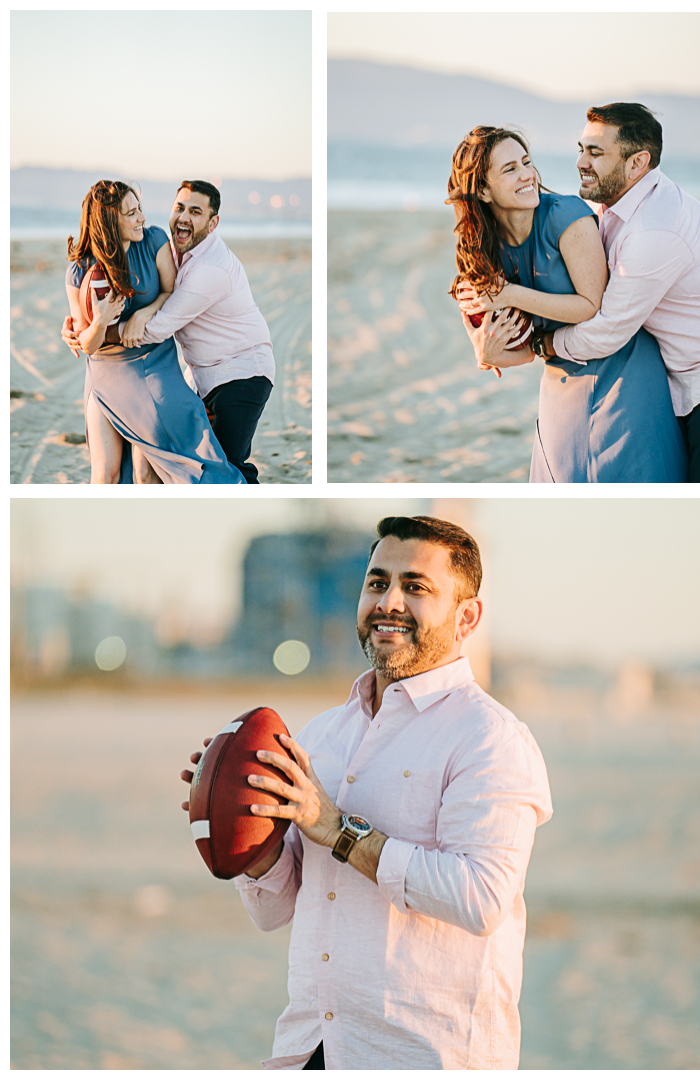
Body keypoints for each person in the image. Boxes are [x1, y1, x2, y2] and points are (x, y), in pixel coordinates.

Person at [181, 516, 553, 1070]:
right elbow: (276, 909)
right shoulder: (323, 735)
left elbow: (480, 899)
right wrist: (243, 823)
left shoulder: (490, 739)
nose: (389, 602)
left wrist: (338, 830)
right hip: (311, 1048)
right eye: (377, 582)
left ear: (467, 617)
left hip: (424, 1054)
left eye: (416, 587)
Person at [449, 127, 688, 483]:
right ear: (482, 190)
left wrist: (509, 294)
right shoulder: (482, 250)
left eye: (526, 162)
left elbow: (590, 305)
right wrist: (486, 353)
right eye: (510, 169)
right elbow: (527, 349)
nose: (527, 175)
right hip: (560, 378)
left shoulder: (567, 215)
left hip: (623, 368)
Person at [536, 104, 700, 483]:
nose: (581, 162)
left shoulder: (654, 231)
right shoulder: (614, 199)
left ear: (637, 163)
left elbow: (607, 332)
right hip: (672, 381)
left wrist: (545, 344)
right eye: (581, 149)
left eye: (595, 153)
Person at [64, 180, 274, 484]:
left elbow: (160, 322)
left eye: (196, 211)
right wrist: (84, 327)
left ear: (213, 223)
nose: (142, 218)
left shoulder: (206, 268)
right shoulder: (174, 248)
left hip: (241, 373)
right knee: (114, 471)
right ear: (111, 220)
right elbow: (87, 333)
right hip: (187, 373)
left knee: (225, 464)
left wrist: (110, 327)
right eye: (180, 207)